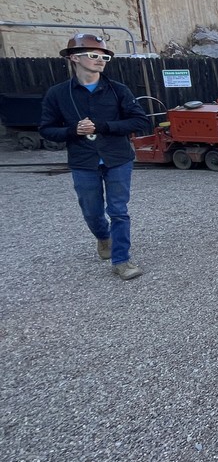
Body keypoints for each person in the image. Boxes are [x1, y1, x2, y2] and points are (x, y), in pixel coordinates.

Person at [38, 33, 151, 281]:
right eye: (93, 55)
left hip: (117, 159)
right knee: (91, 211)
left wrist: (103, 126)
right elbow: (46, 129)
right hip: (83, 161)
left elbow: (139, 121)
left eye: (104, 57)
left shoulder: (118, 90)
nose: (100, 60)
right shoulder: (58, 94)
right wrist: (72, 131)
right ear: (74, 58)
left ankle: (121, 261)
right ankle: (103, 237)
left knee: (119, 210)